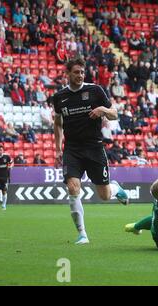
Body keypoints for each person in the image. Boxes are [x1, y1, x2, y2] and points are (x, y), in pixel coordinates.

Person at [53, 58, 129, 245]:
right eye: (76, 72)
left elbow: (115, 114)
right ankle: (82, 234)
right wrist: (57, 148)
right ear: (68, 74)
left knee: (104, 196)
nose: (80, 75)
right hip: (72, 149)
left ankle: (116, 188)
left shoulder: (95, 91)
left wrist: (102, 109)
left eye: (82, 72)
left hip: (94, 147)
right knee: (72, 188)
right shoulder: (59, 97)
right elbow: (57, 123)